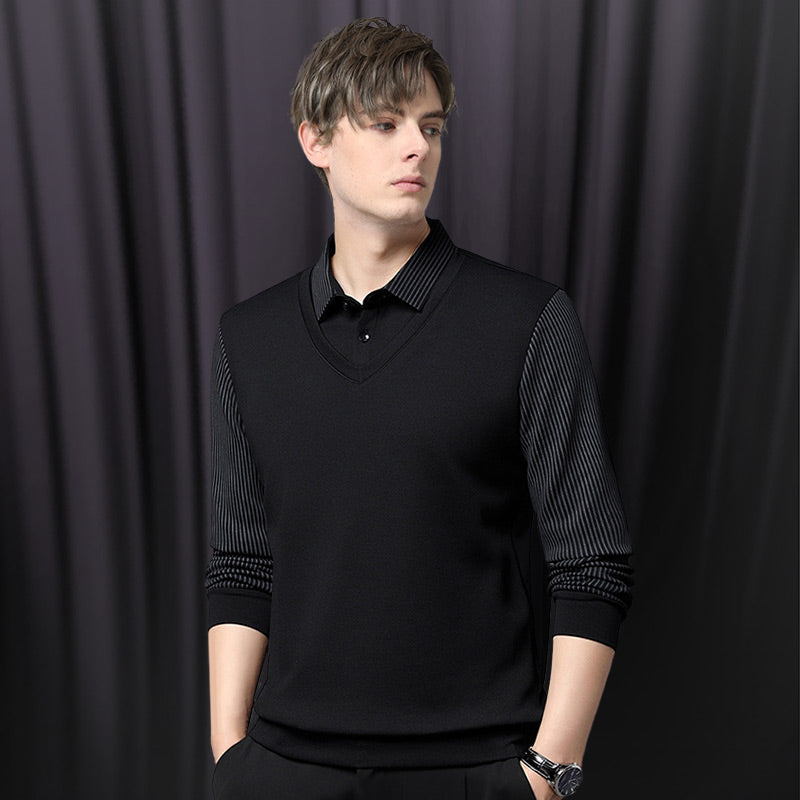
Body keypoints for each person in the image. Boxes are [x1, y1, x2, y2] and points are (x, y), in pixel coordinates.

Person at [205, 17, 633, 800]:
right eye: (385, 123)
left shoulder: (527, 320)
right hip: (282, 772)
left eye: (431, 127)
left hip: (474, 770)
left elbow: (591, 563)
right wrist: (230, 757)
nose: (418, 148)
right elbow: (241, 561)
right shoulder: (249, 338)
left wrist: (545, 774)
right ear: (314, 140)